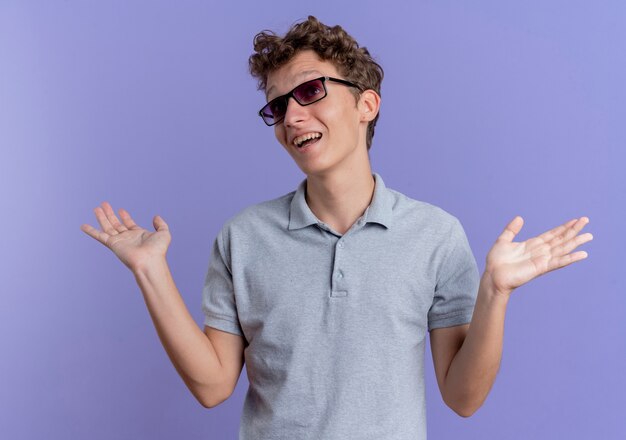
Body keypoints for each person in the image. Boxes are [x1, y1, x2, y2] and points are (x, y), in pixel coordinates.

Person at [80, 15, 593, 440]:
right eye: (278, 106)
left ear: (366, 104)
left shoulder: (435, 235)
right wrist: (150, 271)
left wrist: (495, 293)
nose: (292, 117)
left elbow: (463, 398)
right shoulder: (242, 237)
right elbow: (213, 386)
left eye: (310, 91)